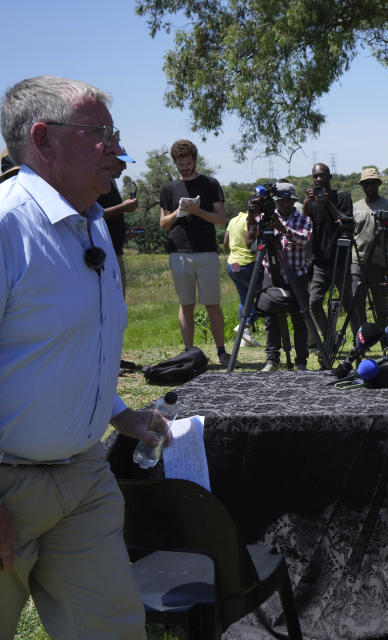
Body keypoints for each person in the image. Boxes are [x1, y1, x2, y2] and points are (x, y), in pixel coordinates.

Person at [0, 75, 166, 639]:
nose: (116, 149)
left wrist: (121, 414)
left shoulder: (91, 222)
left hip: (84, 480)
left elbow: (65, 347)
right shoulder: (5, 226)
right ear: (43, 140)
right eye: (99, 133)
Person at [159, 138, 230, 365]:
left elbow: (221, 219)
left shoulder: (210, 184)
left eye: (188, 163)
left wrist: (197, 212)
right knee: (186, 304)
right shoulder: (168, 188)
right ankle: (188, 352)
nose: (185, 167)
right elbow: (163, 224)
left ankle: (221, 352)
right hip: (179, 252)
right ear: (175, 163)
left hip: (207, 251)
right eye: (181, 164)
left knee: (212, 304)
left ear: (195, 160)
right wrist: (180, 212)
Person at [246, 182, 313, 371]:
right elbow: (249, 237)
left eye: (288, 201)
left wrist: (283, 230)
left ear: (293, 201)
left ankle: (301, 361)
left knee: (299, 317)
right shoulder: (264, 218)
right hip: (271, 274)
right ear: (275, 201)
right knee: (270, 316)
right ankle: (272, 360)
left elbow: (303, 239)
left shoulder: (303, 220)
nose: (284, 204)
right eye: (281, 201)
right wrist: (252, 213)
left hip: (296, 274)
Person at [304, 162, 353, 342]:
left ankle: (359, 343)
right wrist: (307, 202)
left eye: (322, 175)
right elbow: (305, 222)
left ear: (329, 177)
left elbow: (346, 221)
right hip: (319, 262)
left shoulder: (341, 197)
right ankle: (331, 337)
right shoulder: (312, 202)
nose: (318, 179)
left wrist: (328, 203)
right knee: (314, 302)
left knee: (349, 304)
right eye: (315, 176)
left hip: (340, 260)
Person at [350, 166, 388, 329]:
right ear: (362, 186)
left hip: (380, 262)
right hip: (357, 261)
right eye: (366, 184)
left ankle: (386, 342)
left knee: (381, 306)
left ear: (378, 184)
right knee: (356, 301)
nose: (370, 187)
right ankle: (363, 339)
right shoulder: (355, 207)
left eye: (373, 183)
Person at [97, 146, 138, 297]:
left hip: (115, 253)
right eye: (121, 163)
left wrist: (124, 231)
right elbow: (91, 216)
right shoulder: (94, 185)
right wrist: (123, 207)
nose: (125, 167)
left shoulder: (110, 184)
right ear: (110, 159)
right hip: (103, 256)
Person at [223, 202, 260, 347]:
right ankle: (245, 326)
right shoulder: (249, 221)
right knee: (263, 294)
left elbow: (225, 242)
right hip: (246, 264)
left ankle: (244, 337)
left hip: (232, 264)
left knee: (245, 298)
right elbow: (249, 242)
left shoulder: (233, 220)